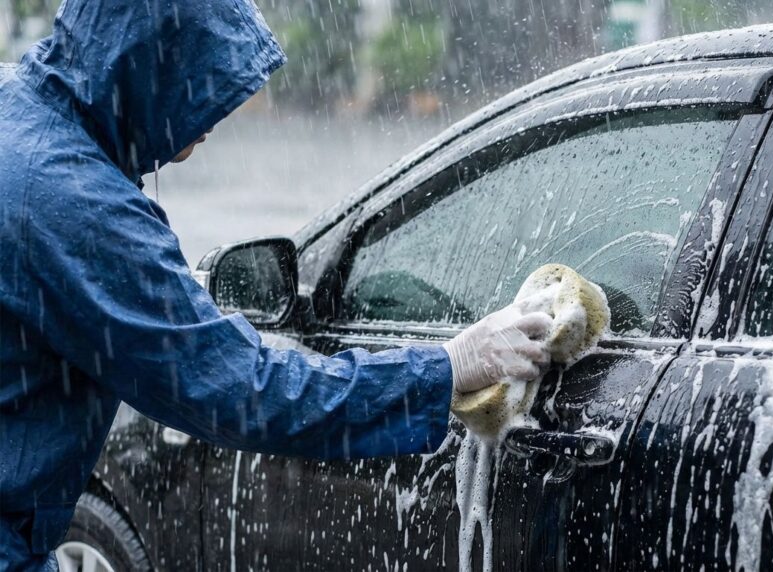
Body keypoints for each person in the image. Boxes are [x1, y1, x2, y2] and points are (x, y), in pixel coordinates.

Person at [0, 1, 553, 570]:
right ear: (149, 68)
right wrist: (446, 367)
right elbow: (242, 390)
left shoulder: (18, 113)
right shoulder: (74, 205)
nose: (214, 118)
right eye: (204, 82)